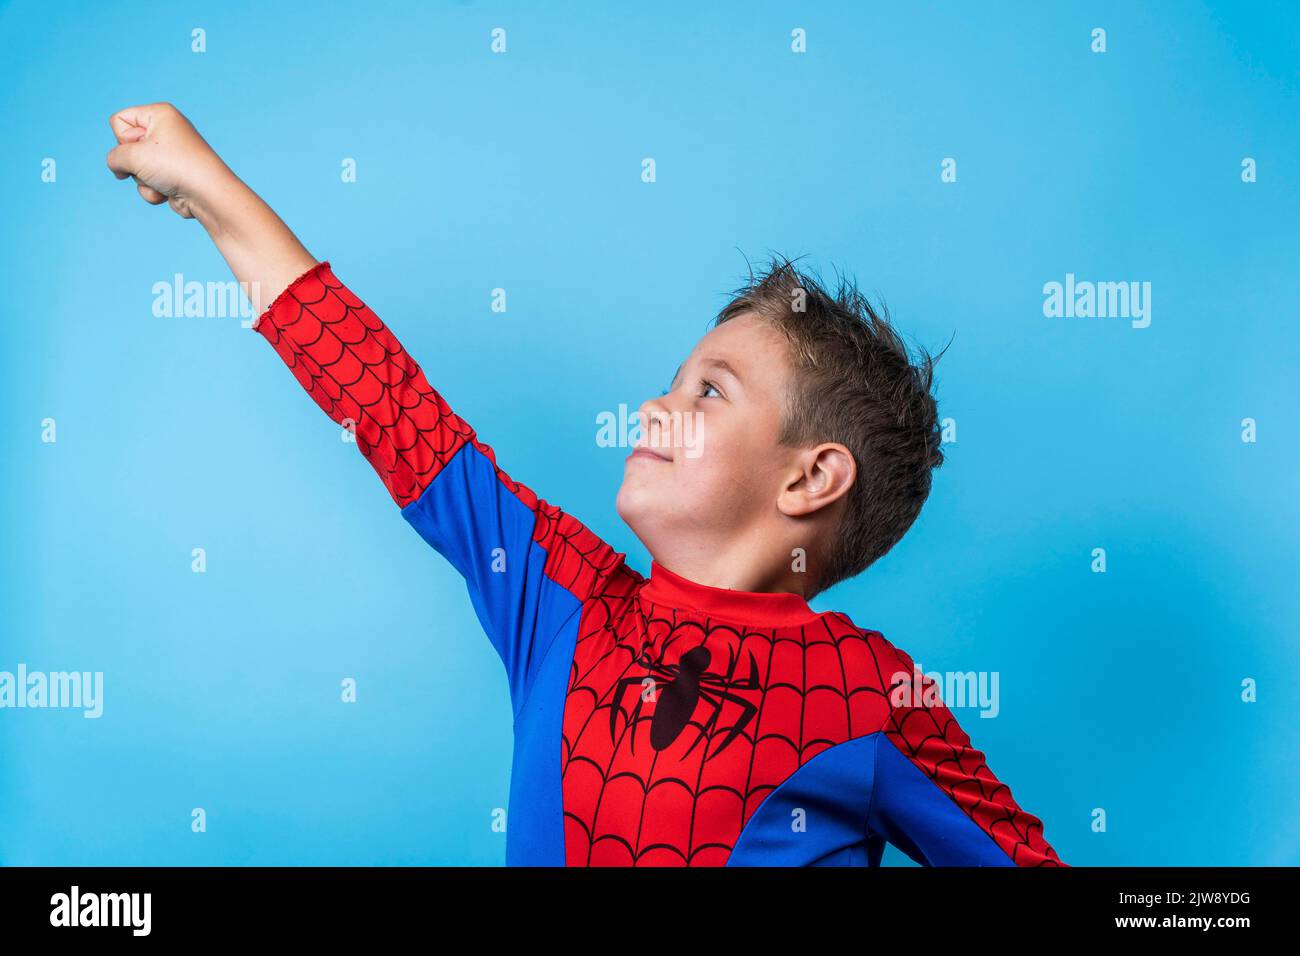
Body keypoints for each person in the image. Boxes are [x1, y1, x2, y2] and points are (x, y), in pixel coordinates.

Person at [106, 102, 1067, 867]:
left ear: (812, 476)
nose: (654, 407)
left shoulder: (869, 697)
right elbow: (392, 406)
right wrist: (209, 187)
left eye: (708, 392)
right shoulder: (559, 599)